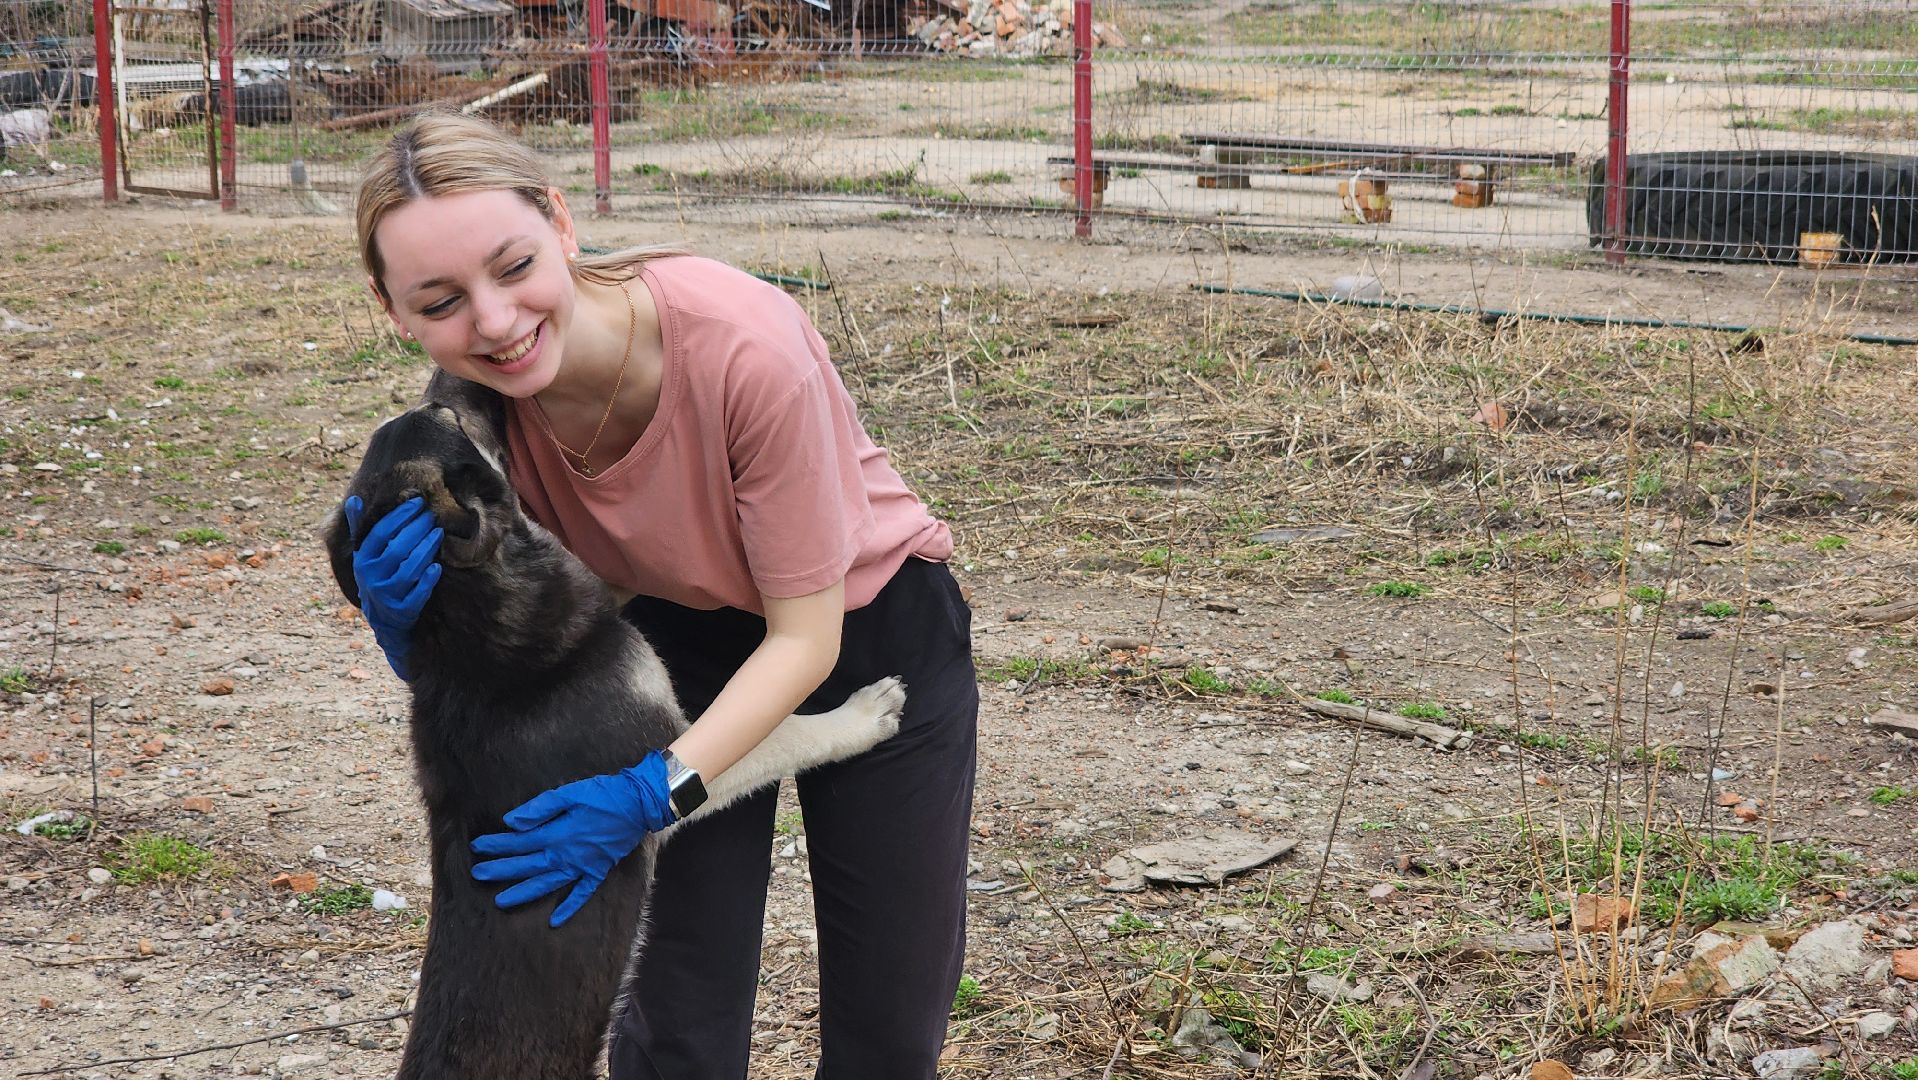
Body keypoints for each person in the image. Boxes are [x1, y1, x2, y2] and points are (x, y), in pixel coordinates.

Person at [340, 112, 977, 1079]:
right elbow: (488, 621)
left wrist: (654, 790)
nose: (496, 323)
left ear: (560, 222)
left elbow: (806, 641)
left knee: (887, 1027)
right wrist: (400, 620)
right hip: (678, 634)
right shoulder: (464, 417)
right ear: (395, 312)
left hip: (864, 621)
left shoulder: (743, 345)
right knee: (678, 1018)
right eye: (441, 301)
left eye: (512, 268)